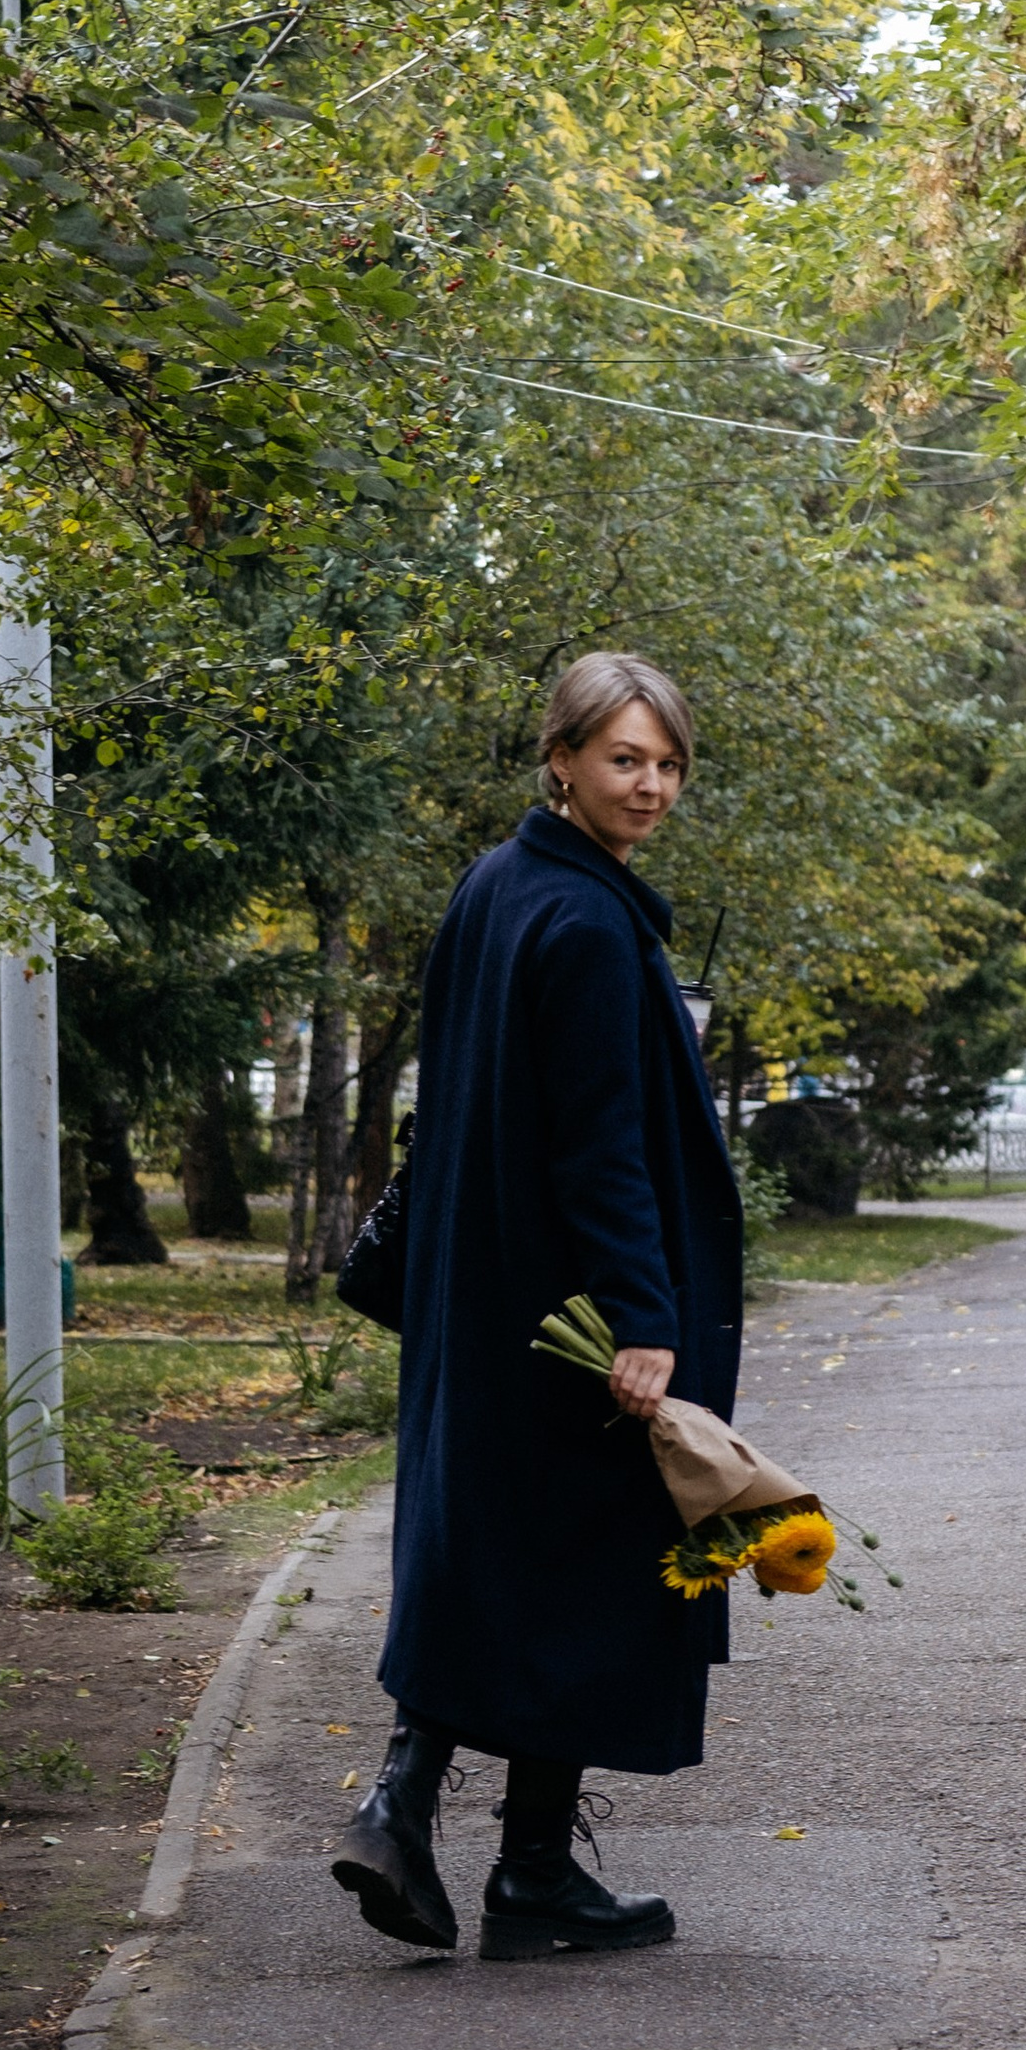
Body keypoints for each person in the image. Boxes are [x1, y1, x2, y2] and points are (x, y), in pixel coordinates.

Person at [332, 650, 744, 1961]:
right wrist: (644, 1316)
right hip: (570, 1309)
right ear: (560, 758)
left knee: (507, 1559)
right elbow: (600, 1142)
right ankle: (494, 1853)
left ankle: (472, 1840)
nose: (653, 784)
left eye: (669, 762)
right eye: (627, 757)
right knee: (580, 1564)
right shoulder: (579, 921)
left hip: (490, 1293)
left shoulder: (498, 889)